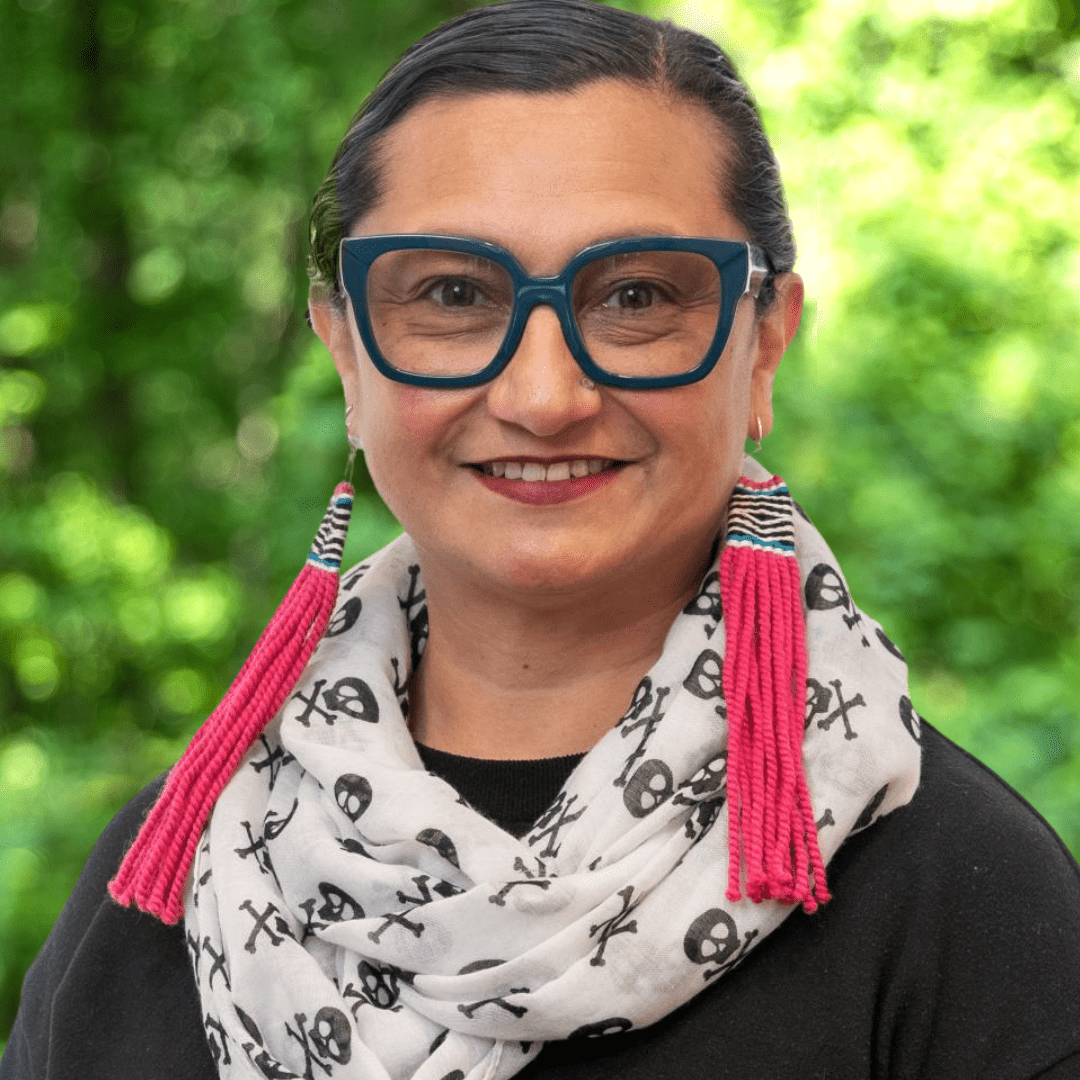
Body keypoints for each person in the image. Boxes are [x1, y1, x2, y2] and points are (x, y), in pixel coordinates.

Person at [4, 1, 1080, 1077]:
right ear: (345, 354)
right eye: (455, 295)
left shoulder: (966, 903)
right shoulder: (159, 884)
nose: (543, 393)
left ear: (763, 343)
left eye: (638, 296)